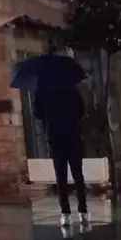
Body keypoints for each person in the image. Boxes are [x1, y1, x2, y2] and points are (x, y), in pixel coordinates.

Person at [34, 84, 87, 227]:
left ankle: (65, 213)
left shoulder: (42, 89)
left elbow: (37, 113)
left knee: (61, 177)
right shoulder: (71, 88)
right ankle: (83, 212)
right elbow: (80, 110)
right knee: (78, 174)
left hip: (54, 136)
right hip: (73, 135)